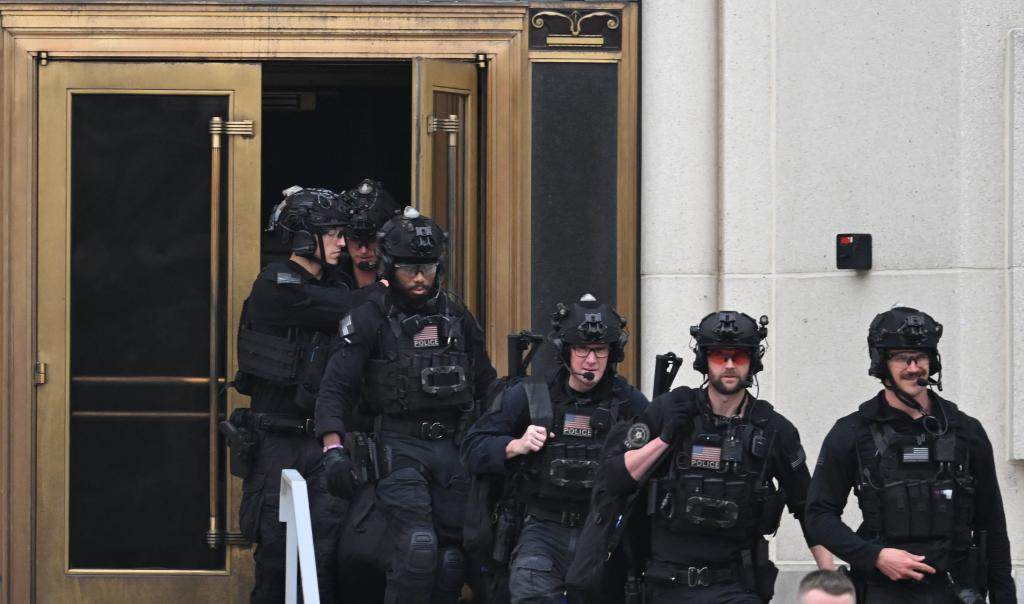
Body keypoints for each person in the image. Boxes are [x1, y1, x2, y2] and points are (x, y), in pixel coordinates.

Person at [315, 206, 497, 604]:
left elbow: (486, 383)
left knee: (454, 560)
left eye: (427, 268)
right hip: (397, 449)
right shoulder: (367, 316)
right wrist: (333, 449)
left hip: (453, 451)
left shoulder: (455, 314)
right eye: (409, 269)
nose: (419, 278)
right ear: (389, 266)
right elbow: (335, 388)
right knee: (418, 548)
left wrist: (498, 442)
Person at [603, 311, 832, 603]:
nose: (728, 365)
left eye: (738, 357)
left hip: (734, 587)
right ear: (703, 360)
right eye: (719, 356)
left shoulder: (775, 430)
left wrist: (831, 577)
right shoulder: (668, 410)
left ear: (752, 362)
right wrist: (664, 439)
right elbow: (616, 478)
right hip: (665, 585)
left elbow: (808, 508)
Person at [805, 307, 1016, 603]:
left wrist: (1005, 597)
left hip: (955, 588)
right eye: (902, 358)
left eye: (922, 356)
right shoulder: (852, 432)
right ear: (881, 363)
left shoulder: (966, 431)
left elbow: (991, 524)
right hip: (884, 589)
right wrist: (874, 555)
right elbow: (818, 516)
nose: (914, 367)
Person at [460, 294, 649, 603]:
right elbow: (473, 447)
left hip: (600, 530)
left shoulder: (628, 402)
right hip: (542, 527)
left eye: (600, 350)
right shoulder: (531, 395)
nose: (591, 360)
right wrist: (514, 445)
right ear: (565, 350)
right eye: (581, 349)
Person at [230, 186, 361, 603]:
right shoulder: (276, 285)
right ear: (305, 237)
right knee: (276, 558)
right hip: (278, 443)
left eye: (343, 232)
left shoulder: (339, 286)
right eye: (332, 232)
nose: (342, 242)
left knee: (326, 555)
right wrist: (370, 296)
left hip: (326, 444)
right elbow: (337, 307)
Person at [339, 178, 401, 289]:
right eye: (355, 239)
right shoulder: (331, 277)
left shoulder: (402, 280)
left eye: (371, 240)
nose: (363, 250)